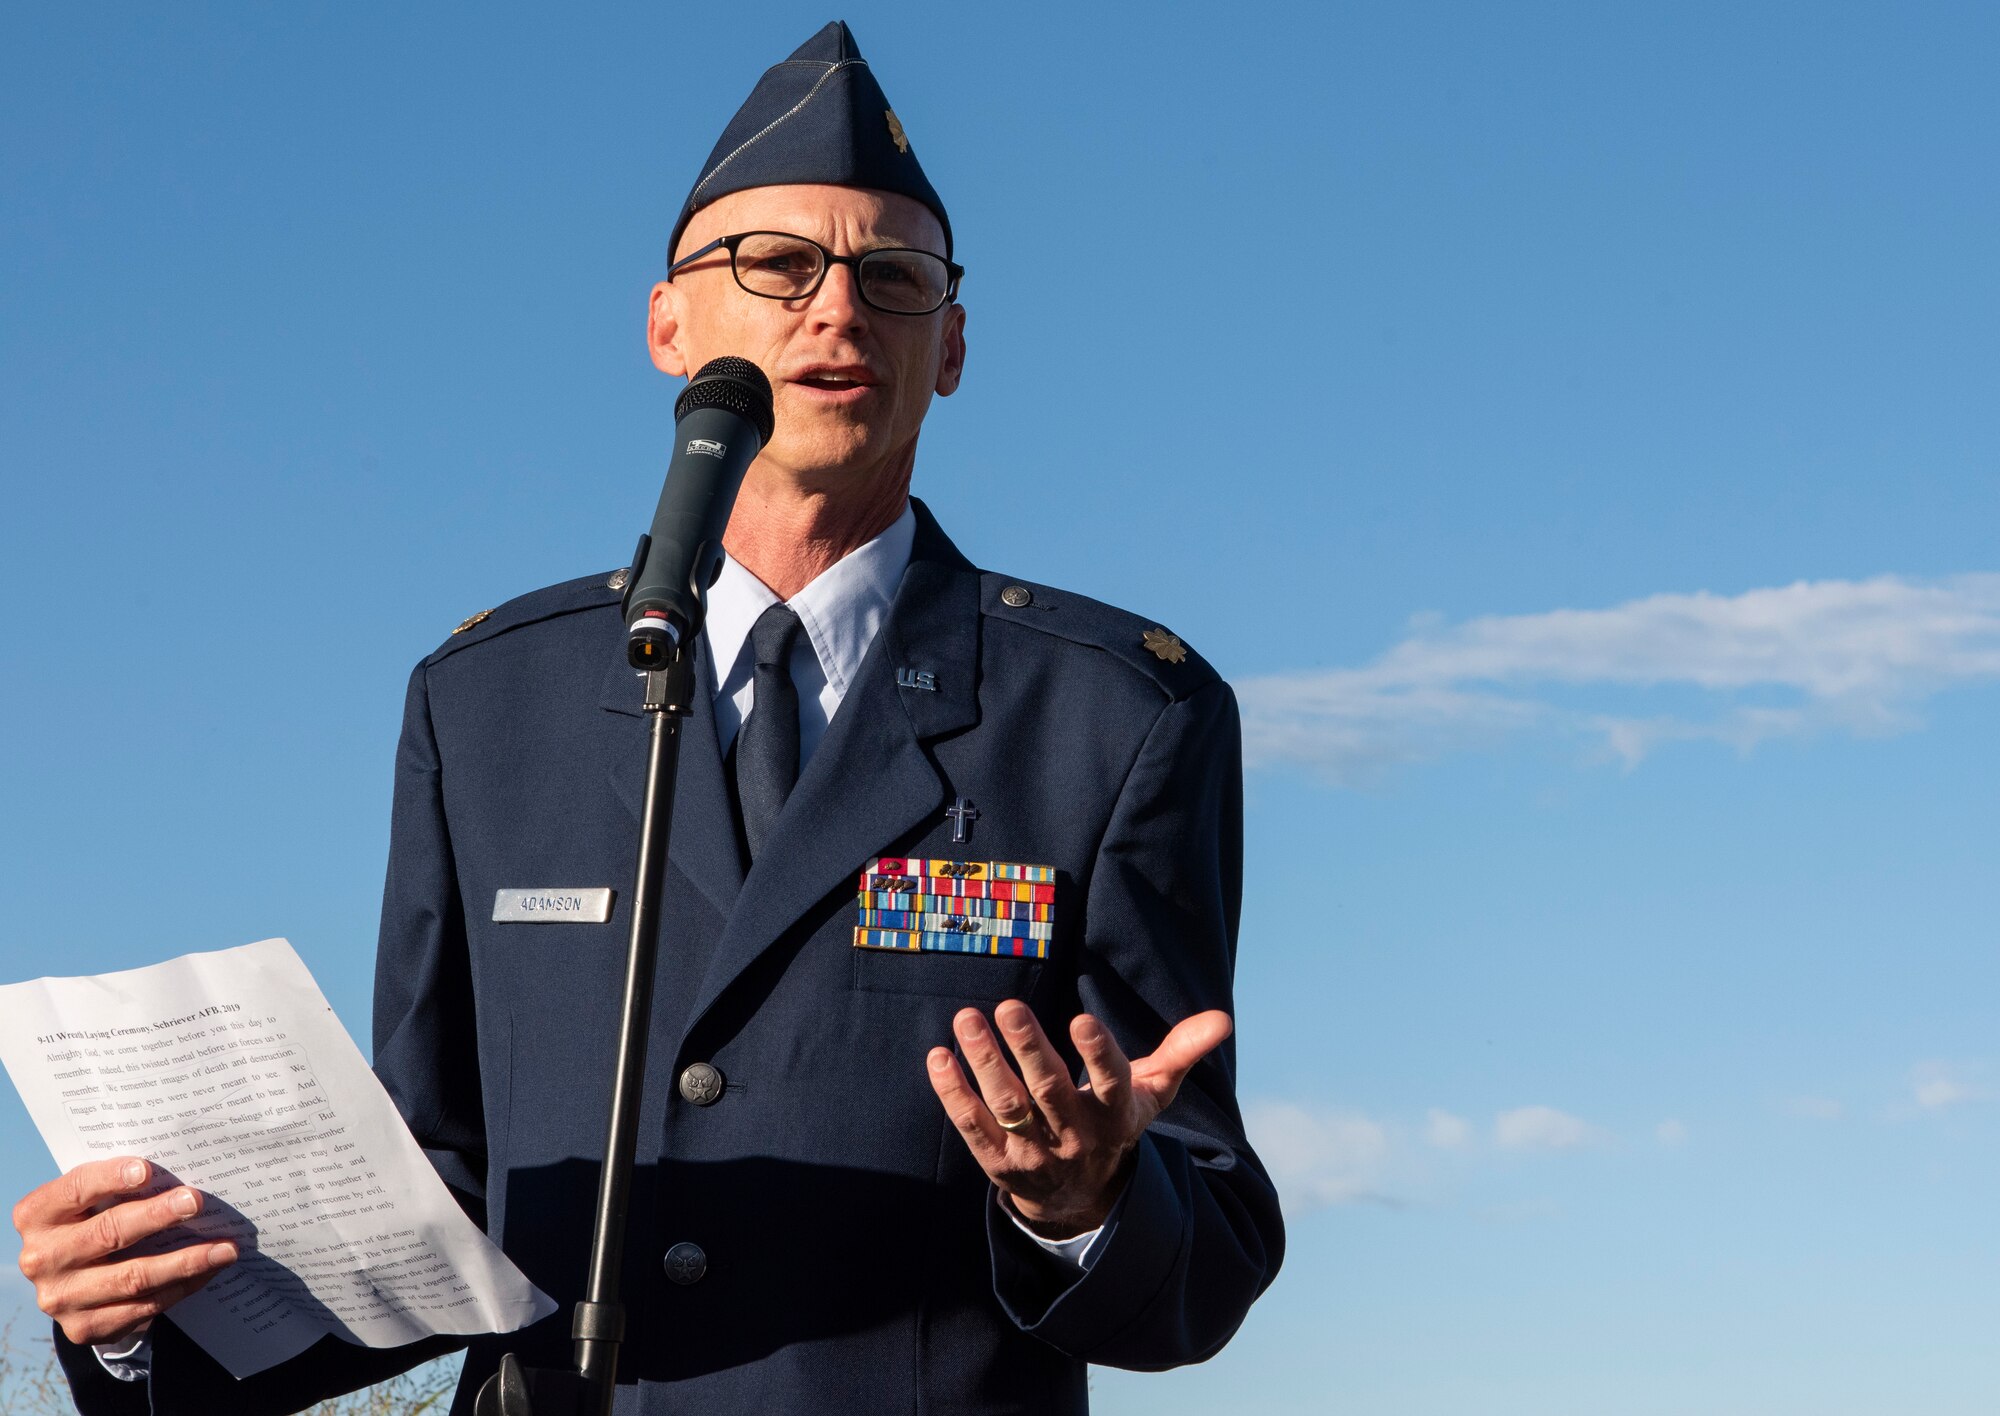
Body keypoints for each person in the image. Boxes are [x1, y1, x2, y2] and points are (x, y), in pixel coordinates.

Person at [16, 22, 1284, 1414]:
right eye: (777, 265)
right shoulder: (487, 699)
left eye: (894, 277)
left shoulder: (1113, 714)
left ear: (956, 347)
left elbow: (1202, 1254)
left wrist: (1084, 1200)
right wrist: (140, 1315)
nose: (836, 310)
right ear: (666, 324)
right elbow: (442, 1199)